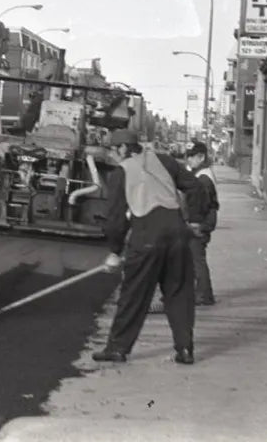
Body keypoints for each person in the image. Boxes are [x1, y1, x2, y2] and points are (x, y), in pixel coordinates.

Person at [94, 128, 205, 365]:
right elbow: (195, 186)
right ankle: (185, 350)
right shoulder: (164, 161)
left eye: (112, 151)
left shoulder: (121, 172)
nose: (112, 156)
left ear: (122, 148)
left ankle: (117, 348)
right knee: (179, 293)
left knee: (134, 294)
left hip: (146, 235)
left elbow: (115, 219)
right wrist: (195, 220)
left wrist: (114, 251)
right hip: (177, 233)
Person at [184, 141, 219, 306]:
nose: (188, 160)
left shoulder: (203, 179)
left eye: (192, 156)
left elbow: (200, 205)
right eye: (188, 156)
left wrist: (195, 224)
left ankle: (205, 295)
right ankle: (202, 293)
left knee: (197, 259)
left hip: (200, 224)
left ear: (201, 157)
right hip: (203, 223)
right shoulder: (202, 175)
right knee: (195, 258)